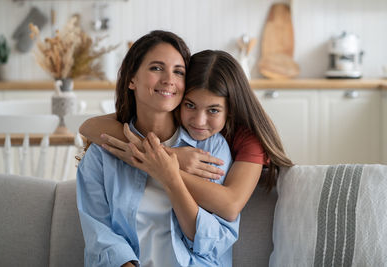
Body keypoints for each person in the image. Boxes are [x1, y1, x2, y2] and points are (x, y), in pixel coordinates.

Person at [77, 30, 238, 267]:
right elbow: (100, 238)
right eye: (156, 68)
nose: (168, 79)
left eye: (178, 72)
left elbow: (212, 242)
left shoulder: (211, 148)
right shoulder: (101, 154)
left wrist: (170, 175)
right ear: (132, 79)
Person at [80, 49, 294, 223]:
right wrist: (172, 154)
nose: (199, 121)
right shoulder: (174, 114)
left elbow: (229, 206)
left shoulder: (248, 139)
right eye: (190, 105)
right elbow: (89, 126)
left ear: (230, 109)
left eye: (213, 110)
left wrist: (160, 165)